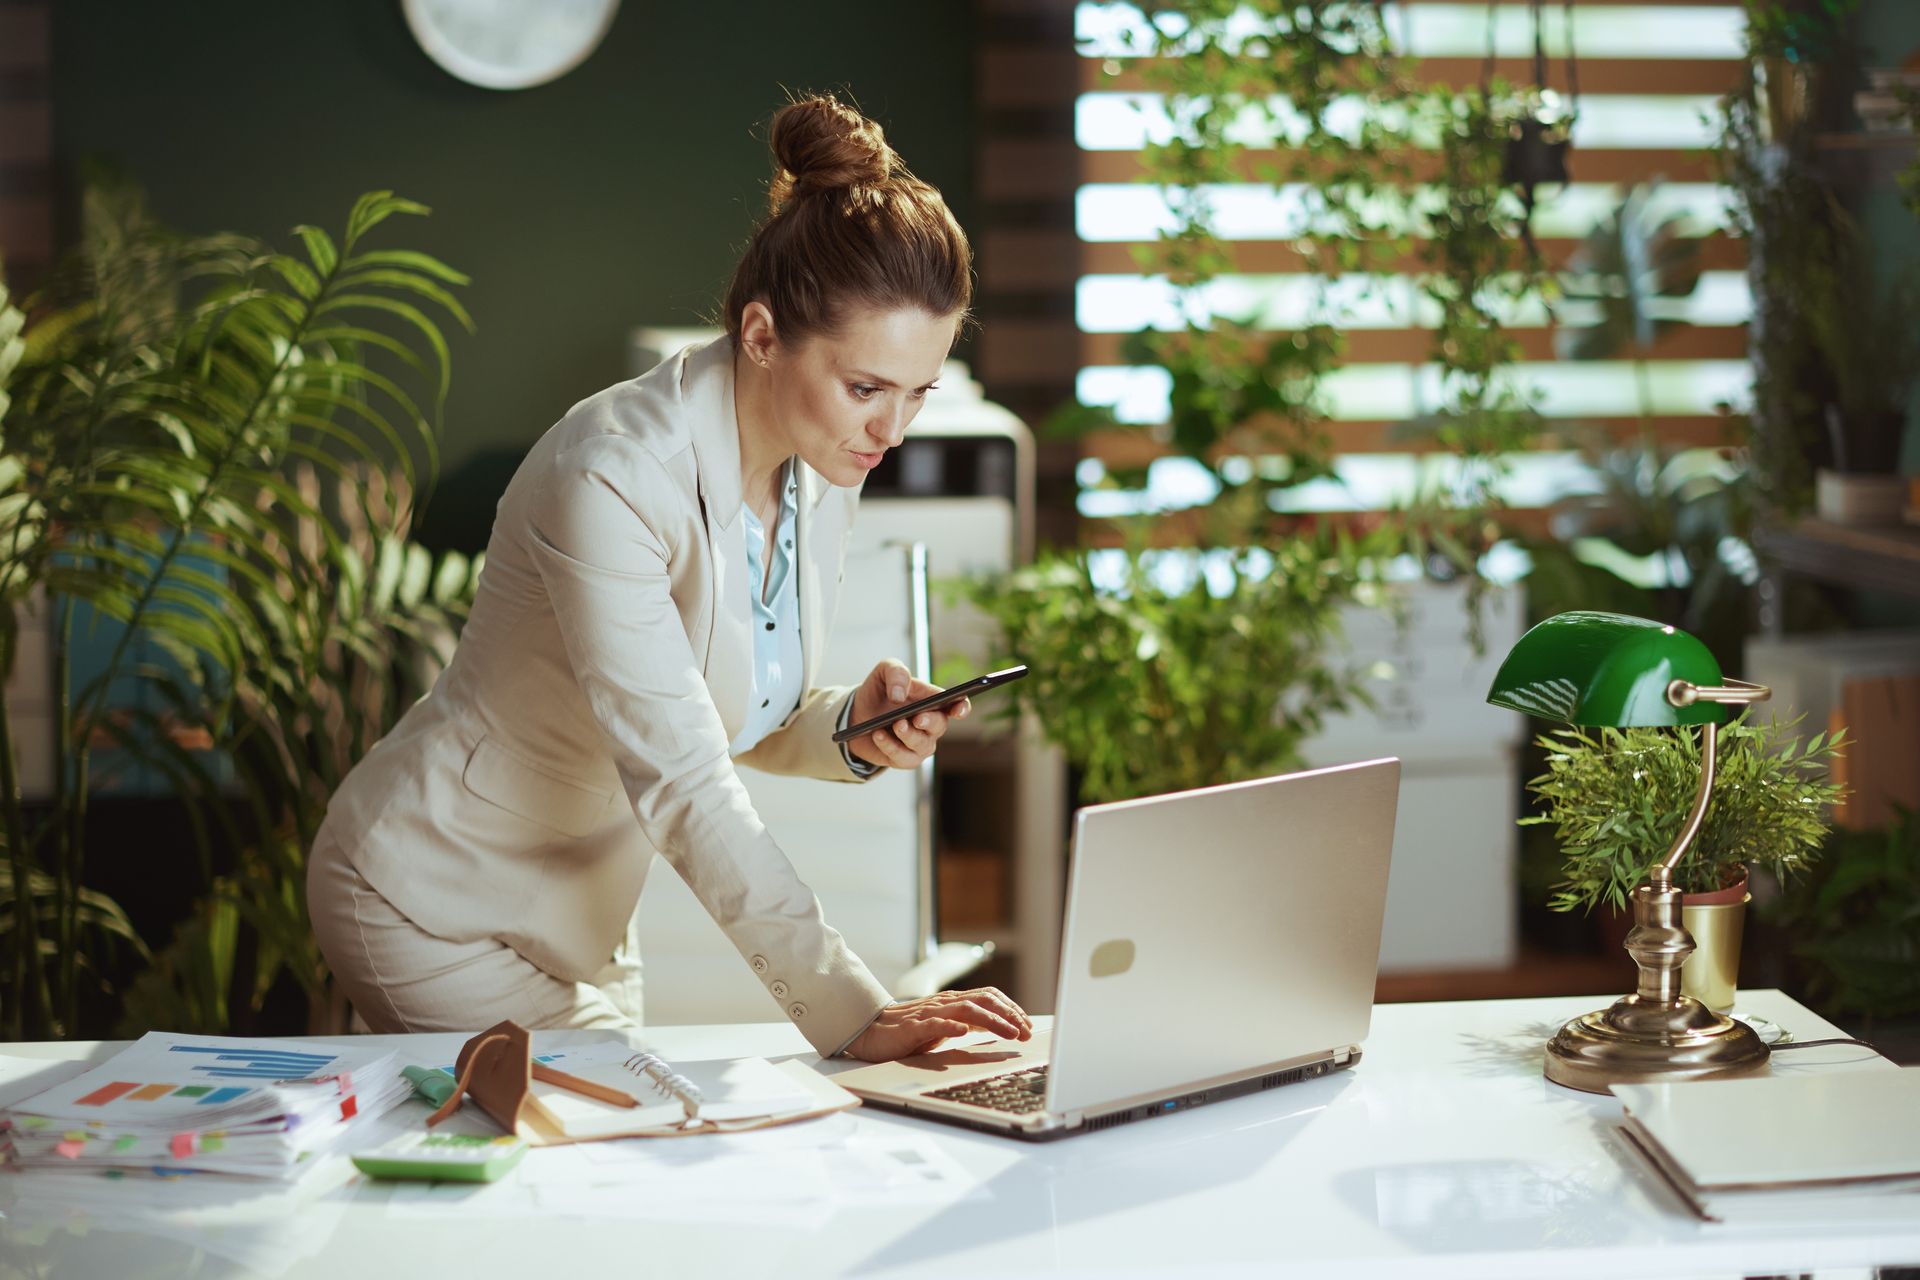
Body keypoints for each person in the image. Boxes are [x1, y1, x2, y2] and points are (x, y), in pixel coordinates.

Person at [307, 94, 1032, 1062]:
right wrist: (855, 1009)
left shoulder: (819, 465)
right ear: (763, 334)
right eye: (867, 387)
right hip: (433, 898)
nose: (891, 432)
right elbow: (686, 775)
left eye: (917, 393)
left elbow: (729, 707)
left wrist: (849, 726)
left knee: (613, 1174)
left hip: (589, 915)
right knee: (592, 1165)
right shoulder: (609, 474)